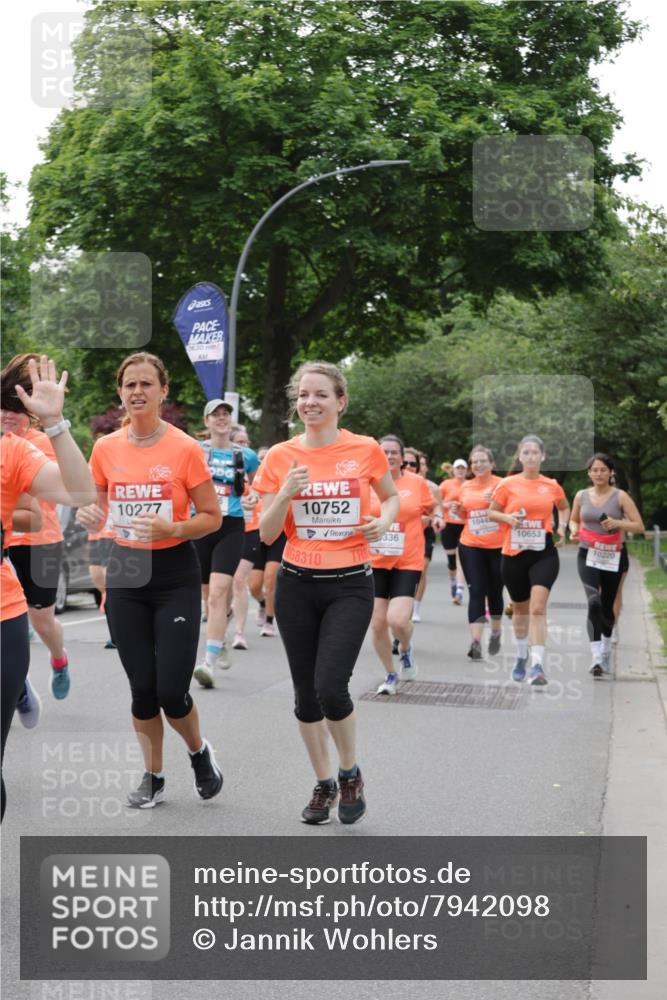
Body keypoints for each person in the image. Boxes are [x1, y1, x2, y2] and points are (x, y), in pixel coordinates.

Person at [254, 361, 399, 826]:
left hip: (351, 584)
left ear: (341, 402)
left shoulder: (365, 449)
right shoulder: (280, 456)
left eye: (320, 395)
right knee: (305, 697)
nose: (310, 403)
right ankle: (323, 784)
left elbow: (391, 496)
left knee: (332, 687)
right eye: (303, 395)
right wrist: (284, 494)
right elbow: (266, 532)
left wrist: (386, 519)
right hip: (296, 584)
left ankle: (350, 772)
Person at [76, 352, 223, 807]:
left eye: (146, 384)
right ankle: (153, 777)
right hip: (126, 573)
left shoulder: (183, 448)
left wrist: (175, 528)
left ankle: (199, 753)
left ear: (163, 391)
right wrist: (88, 516)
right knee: (142, 689)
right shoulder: (105, 449)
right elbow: (97, 508)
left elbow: (212, 518)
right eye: (129, 385)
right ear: (120, 393)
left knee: (170, 690)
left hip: (175, 572)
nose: (137, 392)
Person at [1, 355, 96, 818]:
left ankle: (52, 663)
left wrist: (57, 423)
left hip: (25, 565)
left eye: (10, 408)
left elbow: (77, 496)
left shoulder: (19, 448)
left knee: (43, 618)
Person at [1, 354, 72, 699]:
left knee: (41, 620)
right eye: (2, 408)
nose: (7, 415)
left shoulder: (41, 443)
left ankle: (59, 660)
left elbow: (60, 497)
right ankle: (16, 681)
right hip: (7, 544)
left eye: (14, 409)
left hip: (41, 541)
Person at [488, 435, 570, 686]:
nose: (531, 456)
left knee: (537, 607)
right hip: (513, 554)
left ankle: (537, 665)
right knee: (521, 610)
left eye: (536, 452)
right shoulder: (507, 484)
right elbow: (491, 512)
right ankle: (522, 655)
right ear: (520, 457)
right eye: (526, 452)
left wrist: (562, 526)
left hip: (543, 553)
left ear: (543, 456)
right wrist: (508, 519)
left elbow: (564, 507)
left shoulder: (552, 485)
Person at [191, 400, 260, 687]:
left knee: (220, 592)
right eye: (215, 415)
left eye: (226, 415)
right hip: (200, 524)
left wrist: (254, 495)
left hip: (230, 526)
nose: (221, 419)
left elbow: (258, 485)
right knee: (207, 598)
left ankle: (208, 662)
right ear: (206, 421)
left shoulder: (245, 455)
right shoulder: (195, 451)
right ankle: (219, 636)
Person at [569, 453, 643, 677]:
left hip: (613, 555)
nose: (598, 474)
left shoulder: (620, 497)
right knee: (593, 602)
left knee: (608, 604)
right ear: (589, 473)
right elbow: (574, 519)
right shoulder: (581, 496)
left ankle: (607, 646)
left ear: (611, 472)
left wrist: (618, 522)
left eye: (603, 470)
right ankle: (596, 657)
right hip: (587, 553)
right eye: (594, 470)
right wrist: (573, 530)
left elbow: (639, 525)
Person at [370, 436, 434, 695]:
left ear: (402, 457)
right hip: (374, 561)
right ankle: (390, 674)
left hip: (407, 560)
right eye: (384, 451)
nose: (390, 456)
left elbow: (431, 509)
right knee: (376, 624)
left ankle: (405, 649)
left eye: (394, 452)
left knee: (397, 620)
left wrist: (433, 519)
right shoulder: (366, 484)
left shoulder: (417, 483)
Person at [456, 446, 504, 660]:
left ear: (492, 464)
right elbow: (465, 512)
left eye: (483, 461)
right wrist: (458, 510)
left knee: (494, 592)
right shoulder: (465, 486)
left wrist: (495, 502)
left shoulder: (502, 485)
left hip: (498, 546)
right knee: (476, 591)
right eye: (474, 462)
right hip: (471, 544)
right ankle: (475, 642)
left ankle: (495, 631)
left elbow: (513, 509)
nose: (478, 465)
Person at [410, 449, 444, 623]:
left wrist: (432, 519)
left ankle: (415, 607)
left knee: (422, 570)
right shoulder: (399, 484)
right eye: (416, 464)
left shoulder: (432, 487)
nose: (417, 467)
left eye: (420, 464)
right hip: (405, 534)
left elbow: (438, 509)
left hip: (426, 532)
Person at [439, 458, 468, 604]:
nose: (461, 471)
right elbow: (437, 503)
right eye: (458, 468)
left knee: (462, 558)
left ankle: (459, 591)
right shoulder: (446, 485)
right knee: (452, 562)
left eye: (463, 468)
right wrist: (447, 504)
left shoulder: (470, 485)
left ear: (466, 470)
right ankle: (453, 582)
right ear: (454, 470)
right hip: (449, 525)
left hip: (465, 525)